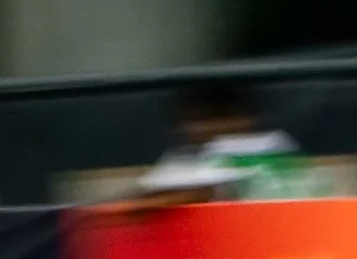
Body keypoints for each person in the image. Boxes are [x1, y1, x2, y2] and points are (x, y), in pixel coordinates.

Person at [134, 81, 330, 205]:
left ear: (243, 118)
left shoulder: (220, 157)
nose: (194, 130)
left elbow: (177, 195)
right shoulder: (285, 150)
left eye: (205, 119)